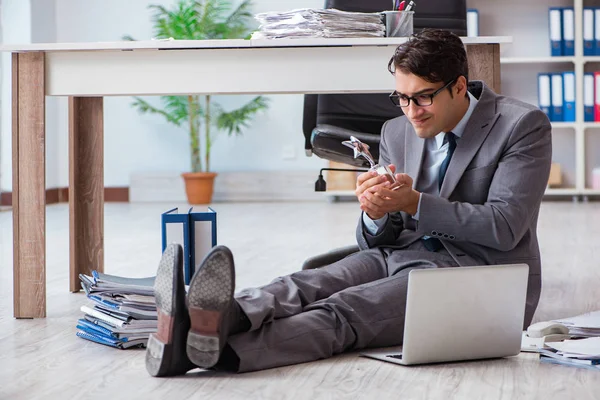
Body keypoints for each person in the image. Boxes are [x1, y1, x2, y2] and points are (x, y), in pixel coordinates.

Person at [145, 28, 552, 377]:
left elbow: (504, 226)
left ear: (459, 86)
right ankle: (210, 321)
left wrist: (414, 204)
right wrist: (375, 214)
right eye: (402, 98)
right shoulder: (397, 129)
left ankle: (203, 350)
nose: (411, 112)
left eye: (422, 98)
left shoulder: (520, 125)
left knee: (343, 309)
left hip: (476, 274)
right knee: (303, 284)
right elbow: (377, 237)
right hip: (399, 253)